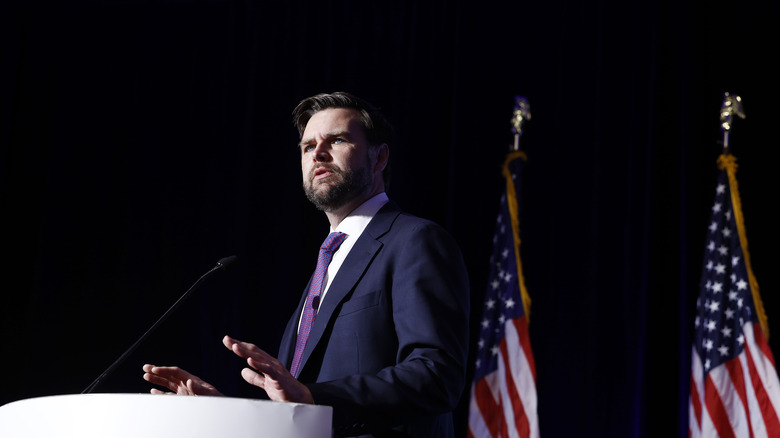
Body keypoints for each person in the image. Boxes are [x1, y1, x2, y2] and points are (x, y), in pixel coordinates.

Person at [142, 91, 470, 437]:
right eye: (307, 146)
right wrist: (225, 412)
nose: (319, 154)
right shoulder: (327, 264)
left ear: (380, 157)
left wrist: (315, 397)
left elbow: (437, 376)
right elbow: (296, 408)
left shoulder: (415, 240)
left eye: (337, 140)